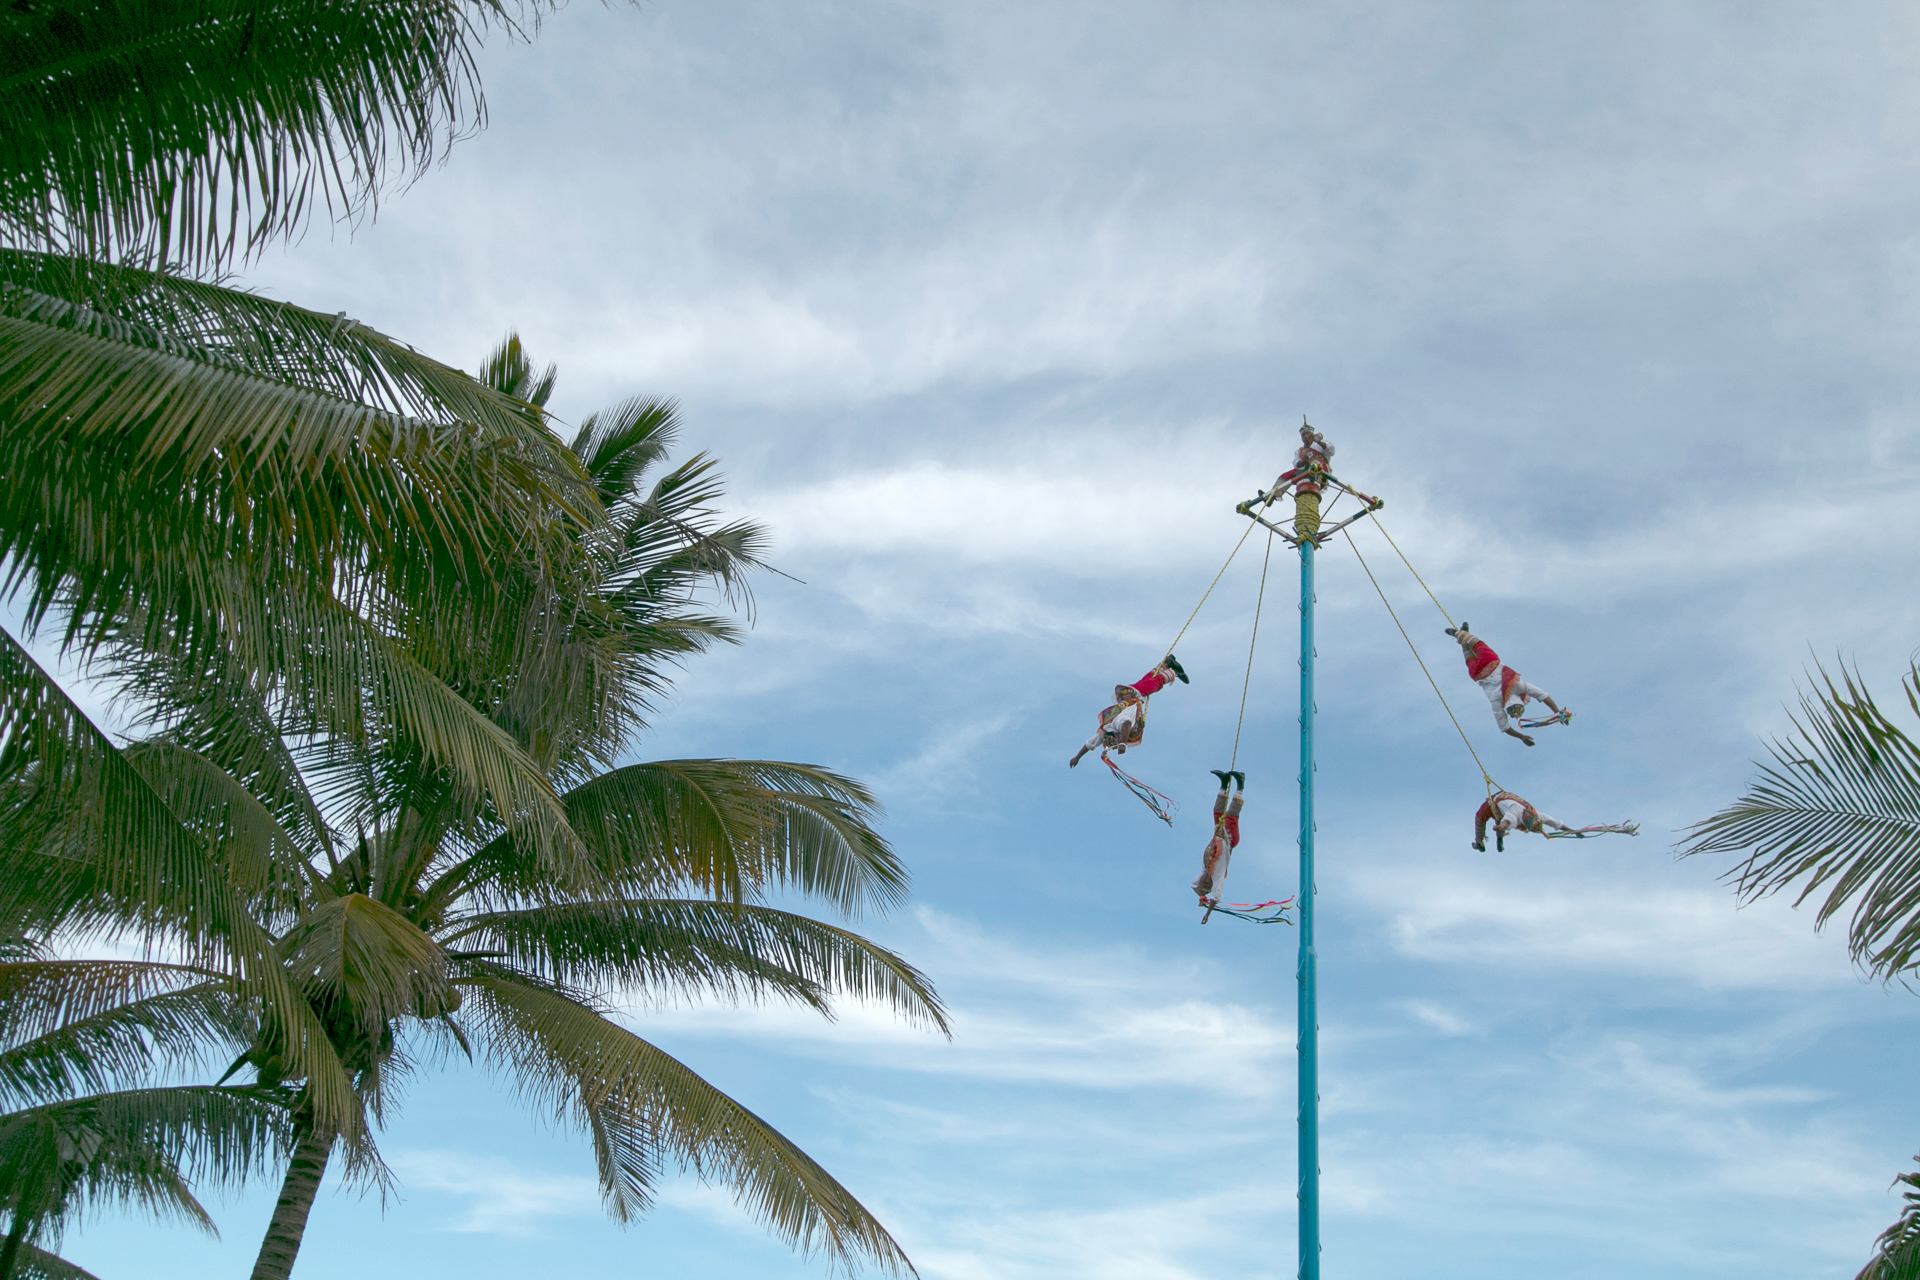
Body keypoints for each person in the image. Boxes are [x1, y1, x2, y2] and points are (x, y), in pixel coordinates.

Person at [1445, 622, 1567, 747]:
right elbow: (1504, 727)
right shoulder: (1497, 700)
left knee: (1477, 645)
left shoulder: (1516, 686)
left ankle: (1461, 634)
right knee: (1470, 656)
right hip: (1477, 673)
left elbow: (1543, 696)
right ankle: (1460, 634)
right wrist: (1521, 737)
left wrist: (1558, 713)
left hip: (1490, 662)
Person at [1069, 655, 1188, 767]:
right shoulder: (1103, 732)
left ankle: (1173, 671)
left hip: (1133, 694)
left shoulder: (1117, 724)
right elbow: (1089, 745)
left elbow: (1126, 723)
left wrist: (1122, 744)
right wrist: (1077, 757)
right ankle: (1166, 663)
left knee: (1154, 684)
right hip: (1132, 694)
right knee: (1149, 680)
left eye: (1119, 739)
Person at [1192, 769, 1245, 904]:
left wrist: (1201, 896)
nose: (1202, 881)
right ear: (1210, 885)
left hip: (1219, 834)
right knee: (1231, 815)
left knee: (1217, 812)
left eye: (1201, 883)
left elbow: (1193, 885)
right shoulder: (1217, 876)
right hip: (1229, 839)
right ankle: (1240, 784)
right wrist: (1207, 913)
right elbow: (1216, 898)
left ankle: (1224, 784)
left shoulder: (1204, 871)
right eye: (1205, 885)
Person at [1472, 790, 1575, 851]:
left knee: (1480, 819)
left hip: (1493, 805)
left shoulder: (1515, 816)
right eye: (1531, 814)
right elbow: (1555, 823)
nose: (1528, 812)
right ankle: (1500, 841)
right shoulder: (1535, 814)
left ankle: (1479, 841)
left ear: (1526, 821)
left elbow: (1507, 822)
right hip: (1502, 804)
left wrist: (1499, 827)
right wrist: (1573, 831)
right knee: (1500, 820)